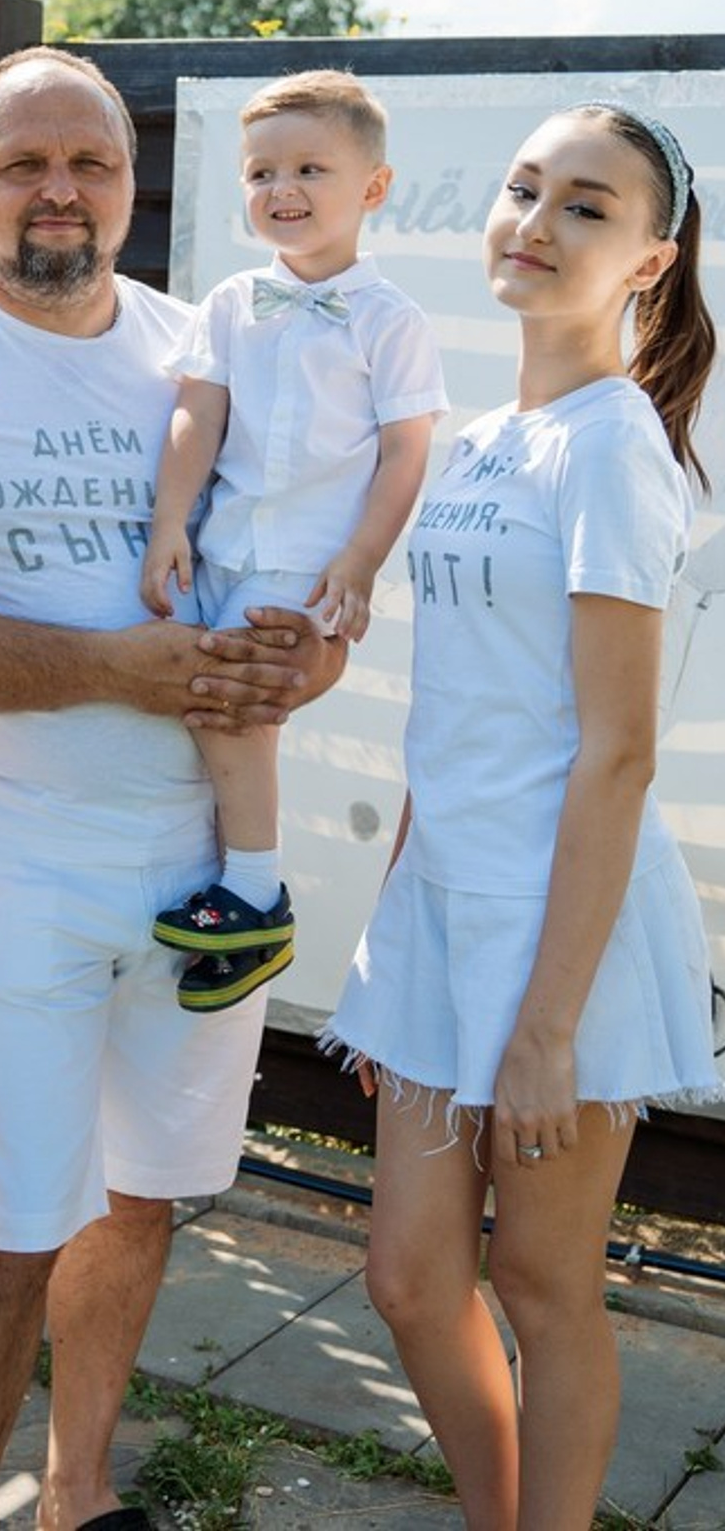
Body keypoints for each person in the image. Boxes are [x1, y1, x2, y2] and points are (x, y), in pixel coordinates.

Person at [0, 44, 348, 1531]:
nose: (59, 192)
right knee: (6, 1224)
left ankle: (76, 1491)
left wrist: (292, 665)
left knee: (141, 1201)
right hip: (16, 867)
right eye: (22, 165)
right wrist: (121, 670)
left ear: (132, 187)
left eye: (91, 165)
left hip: (206, 863)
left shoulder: (219, 347)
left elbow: (301, 586)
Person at [325, 102, 722, 1530]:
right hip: (443, 918)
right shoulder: (488, 439)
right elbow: (461, 712)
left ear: (652, 262)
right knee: (411, 1280)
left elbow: (618, 757)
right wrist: (393, 946)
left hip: (566, 936)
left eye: (588, 208)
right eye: (525, 190)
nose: (539, 225)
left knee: (548, 1289)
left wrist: (549, 1023)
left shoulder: (615, 448)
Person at [140, 71, 446, 1010]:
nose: (282, 188)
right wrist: (168, 525)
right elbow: (198, 414)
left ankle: (255, 892)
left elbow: (405, 454)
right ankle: (227, 889)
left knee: (236, 707)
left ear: (374, 189)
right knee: (186, 702)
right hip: (224, 541)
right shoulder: (233, 302)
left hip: (304, 562)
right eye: (261, 170)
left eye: (311, 167)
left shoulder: (390, 319)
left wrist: (357, 564)